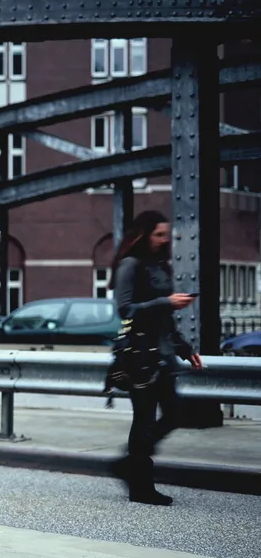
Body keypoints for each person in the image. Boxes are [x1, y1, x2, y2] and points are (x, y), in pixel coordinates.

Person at [108, 210, 203, 506]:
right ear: (144, 235)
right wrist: (167, 301)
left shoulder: (160, 266)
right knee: (145, 420)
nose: (164, 240)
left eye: (166, 235)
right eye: (158, 234)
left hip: (163, 356)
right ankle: (141, 485)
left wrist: (186, 349)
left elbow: (165, 320)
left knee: (176, 414)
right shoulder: (130, 265)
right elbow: (125, 310)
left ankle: (128, 465)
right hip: (140, 358)